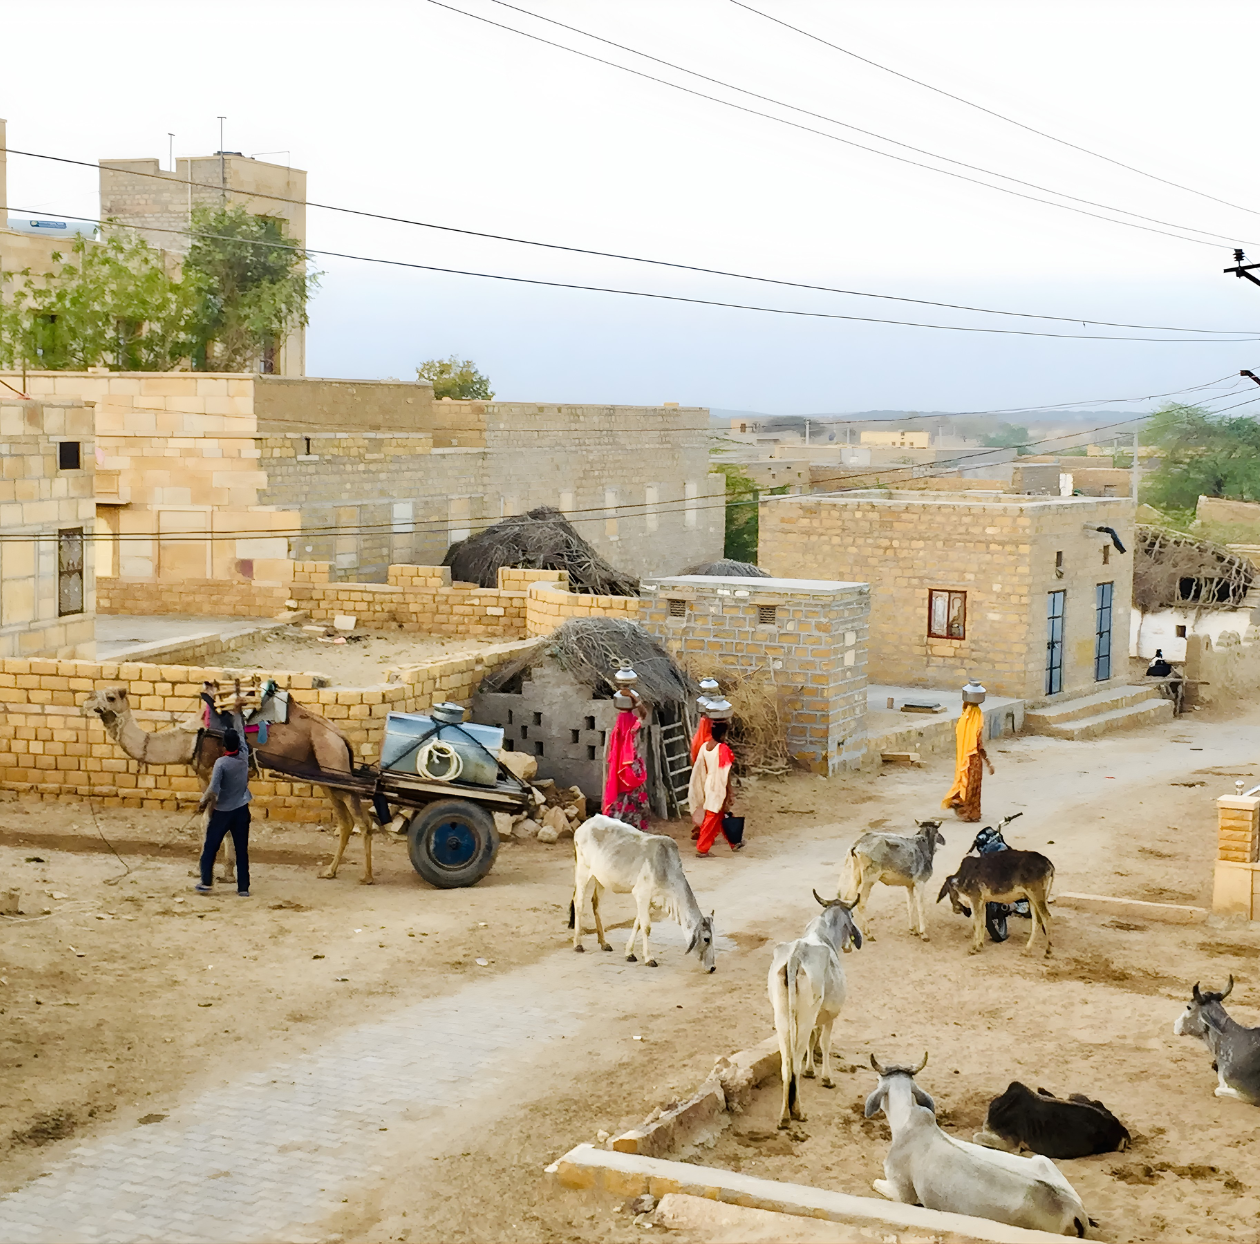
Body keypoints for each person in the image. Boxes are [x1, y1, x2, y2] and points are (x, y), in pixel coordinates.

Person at [197, 717, 252, 897]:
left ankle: (206, 883)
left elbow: (213, 789)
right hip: (242, 809)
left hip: (223, 812)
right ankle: (243, 888)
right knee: (241, 849)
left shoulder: (222, 763)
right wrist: (237, 713)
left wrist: (203, 802)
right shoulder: (244, 756)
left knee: (211, 847)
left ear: (223, 747)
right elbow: (241, 734)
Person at [942, 683, 994, 823]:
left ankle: (962, 806)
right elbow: (979, 744)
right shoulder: (977, 719)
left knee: (964, 783)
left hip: (963, 758)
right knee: (973, 787)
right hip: (974, 760)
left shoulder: (963, 721)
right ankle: (969, 812)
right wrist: (988, 762)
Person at [690, 720, 743, 856]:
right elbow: (725, 773)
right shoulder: (723, 749)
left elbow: (699, 768)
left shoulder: (704, 747)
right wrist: (730, 792)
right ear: (723, 734)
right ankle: (702, 848)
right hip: (718, 786)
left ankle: (734, 842)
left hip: (708, 783)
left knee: (721, 815)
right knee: (712, 816)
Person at [603, 687, 650, 831]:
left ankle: (618, 825)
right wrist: (634, 699)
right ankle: (634, 825)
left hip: (619, 767)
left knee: (619, 795)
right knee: (635, 797)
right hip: (632, 767)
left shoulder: (617, 729)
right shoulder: (634, 727)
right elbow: (644, 713)